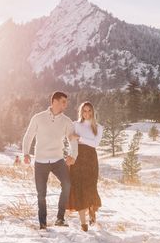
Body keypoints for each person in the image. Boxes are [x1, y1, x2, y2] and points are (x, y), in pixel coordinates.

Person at [22, 91, 78, 230]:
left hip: (58, 160)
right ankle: (42, 223)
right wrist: (26, 153)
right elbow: (28, 136)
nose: (66, 104)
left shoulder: (66, 121)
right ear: (54, 101)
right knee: (41, 194)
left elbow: (72, 139)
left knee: (67, 185)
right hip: (40, 161)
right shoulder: (38, 117)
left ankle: (60, 218)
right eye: (63, 101)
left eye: (66, 102)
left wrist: (73, 155)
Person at [68, 101, 103, 232]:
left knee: (91, 188)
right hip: (77, 159)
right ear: (81, 112)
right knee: (78, 189)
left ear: (93, 112)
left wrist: (80, 138)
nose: (87, 113)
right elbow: (71, 141)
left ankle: (92, 212)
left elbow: (95, 144)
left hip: (91, 160)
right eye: (84, 111)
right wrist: (70, 155)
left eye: (89, 111)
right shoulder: (75, 125)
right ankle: (83, 224)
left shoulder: (98, 127)